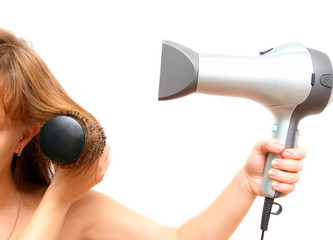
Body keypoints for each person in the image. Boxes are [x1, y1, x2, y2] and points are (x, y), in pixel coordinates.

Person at [0, 28, 306, 240]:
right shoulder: (60, 203)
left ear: (24, 137)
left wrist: (246, 183)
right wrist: (56, 202)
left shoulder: (73, 210)